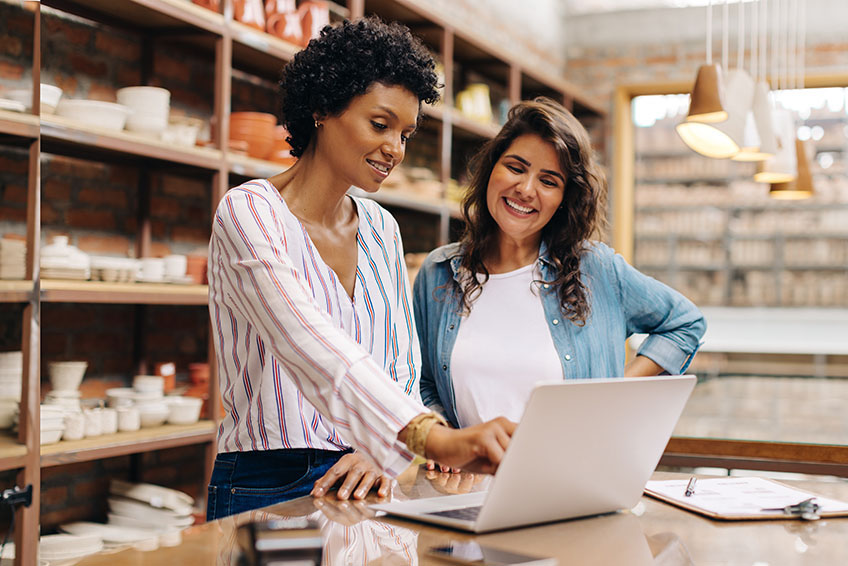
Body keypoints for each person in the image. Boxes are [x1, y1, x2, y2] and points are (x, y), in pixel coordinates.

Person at [207, 17, 514, 520]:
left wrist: (381, 451)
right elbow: (308, 344)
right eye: (380, 124)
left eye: (406, 133)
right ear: (324, 109)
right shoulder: (250, 212)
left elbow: (400, 366)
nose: (396, 148)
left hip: (367, 475)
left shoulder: (380, 227)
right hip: (267, 483)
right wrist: (429, 437)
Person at [413, 97, 706, 435]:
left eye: (548, 181)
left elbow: (685, 324)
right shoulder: (439, 272)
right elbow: (422, 380)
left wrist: (615, 389)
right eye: (516, 167)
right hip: (471, 485)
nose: (525, 189)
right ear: (491, 169)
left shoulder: (595, 269)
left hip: (572, 478)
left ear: (565, 198)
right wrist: (444, 436)